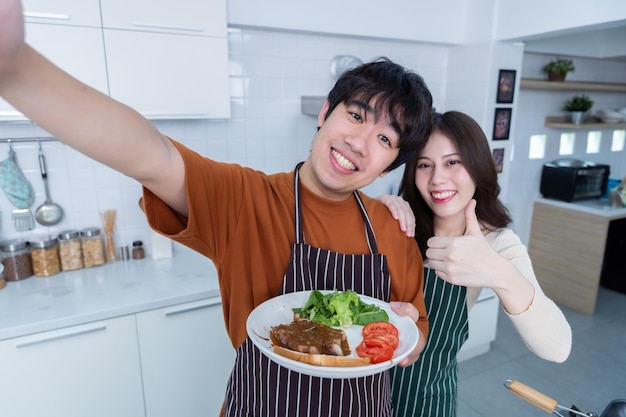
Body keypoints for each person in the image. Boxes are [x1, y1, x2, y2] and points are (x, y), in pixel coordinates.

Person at [0, 1, 432, 415]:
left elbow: (414, 340)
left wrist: (409, 337)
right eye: (356, 116)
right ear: (324, 112)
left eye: (384, 139)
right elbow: (152, 155)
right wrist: (17, 70)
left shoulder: (393, 226)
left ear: (388, 166)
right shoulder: (245, 199)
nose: (359, 142)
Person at [380, 111, 572, 417]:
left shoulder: (496, 242)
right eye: (424, 165)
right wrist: (375, 209)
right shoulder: (399, 224)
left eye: (453, 162)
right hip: (360, 392)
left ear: (478, 165)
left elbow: (557, 347)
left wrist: (498, 271)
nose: (437, 178)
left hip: (426, 400)